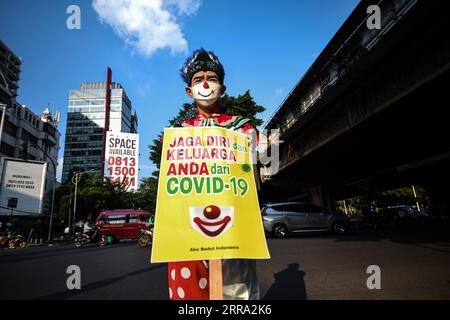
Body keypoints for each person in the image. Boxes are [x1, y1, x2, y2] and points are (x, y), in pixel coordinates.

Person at [166, 48, 260, 300]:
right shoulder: (178, 131)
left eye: (212, 78)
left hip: (233, 223)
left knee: (237, 293)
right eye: (198, 80)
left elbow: (250, 170)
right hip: (187, 226)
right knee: (191, 294)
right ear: (189, 91)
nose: (205, 84)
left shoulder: (244, 127)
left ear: (222, 87)